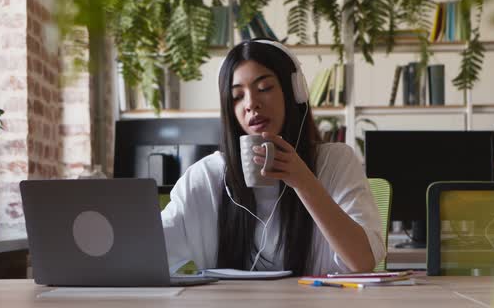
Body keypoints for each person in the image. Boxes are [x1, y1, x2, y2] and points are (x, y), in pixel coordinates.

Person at [161, 39, 385, 276]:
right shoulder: (206, 176)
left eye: (264, 88)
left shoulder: (335, 161)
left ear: (294, 94)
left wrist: (303, 181)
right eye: (237, 96)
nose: (250, 104)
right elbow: (149, 252)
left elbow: (363, 262)